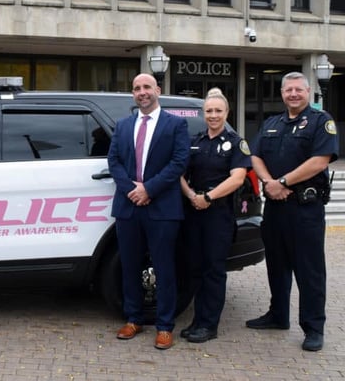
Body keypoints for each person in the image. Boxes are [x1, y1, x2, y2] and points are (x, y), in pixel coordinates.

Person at [247, 71, 339, 352]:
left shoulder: (321, 121)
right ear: (282, 93)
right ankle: (278, 315)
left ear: (308, 92)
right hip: (275, 207)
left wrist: (283, 182)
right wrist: (269, 183)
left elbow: (320, 160)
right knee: (277, 265)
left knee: (309, 270)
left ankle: (313, 328)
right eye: (289, 90)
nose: (293, 94)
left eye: (299, 89)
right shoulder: (272, 123)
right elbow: (255, 156)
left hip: (305, 209)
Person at [107, 73, 190, 350]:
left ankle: (165, 326)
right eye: (136, 88)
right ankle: (133, 319)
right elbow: (114, 161)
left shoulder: (175, 124)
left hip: (162, 208)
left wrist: (149, 189)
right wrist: (132, 189)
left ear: (158, 90)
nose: (142, 92)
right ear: (133, 94)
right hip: (128, 207)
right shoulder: (123, 126)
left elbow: (179, 162)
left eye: (146, 87)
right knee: (129, 266)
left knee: (165, 268)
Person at [179, 88, 251, 343]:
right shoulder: (195, 141)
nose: (213, 115)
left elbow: (238, 178)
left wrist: (208, 198)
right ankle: (198, 321)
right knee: (195, 268)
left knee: (213, 270)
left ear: (227, 113)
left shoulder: (236, 143)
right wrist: (191, 195)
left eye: (218, 111)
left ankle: (209, 325)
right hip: (194, 211)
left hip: (218, 215)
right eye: (209, 111)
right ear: (203, 113)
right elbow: (180, 173)